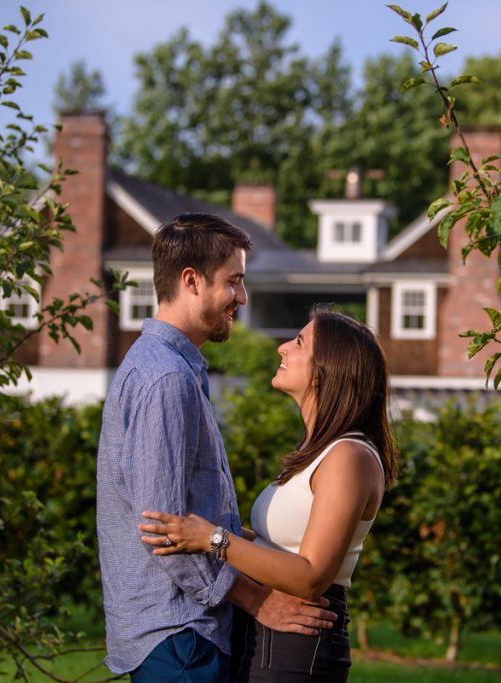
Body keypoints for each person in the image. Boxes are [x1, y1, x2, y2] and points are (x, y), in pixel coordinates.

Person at [97, 213, 336, 682]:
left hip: (184, 635)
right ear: (192, 281)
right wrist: (257, 599)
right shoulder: (165, 378)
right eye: (234, 282)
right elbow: (163, 529)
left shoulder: (175, 368)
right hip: (180, 636)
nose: (242, 298)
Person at [138, 308, 398, 682]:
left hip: (298, 640)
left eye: (299, 343)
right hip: (266, 631)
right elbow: (279, 547)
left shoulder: (349, 457)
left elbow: (311, 576)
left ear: (328, 369)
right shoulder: (320, 450)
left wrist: (211, 538)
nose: (282, 348)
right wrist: (206, 529)